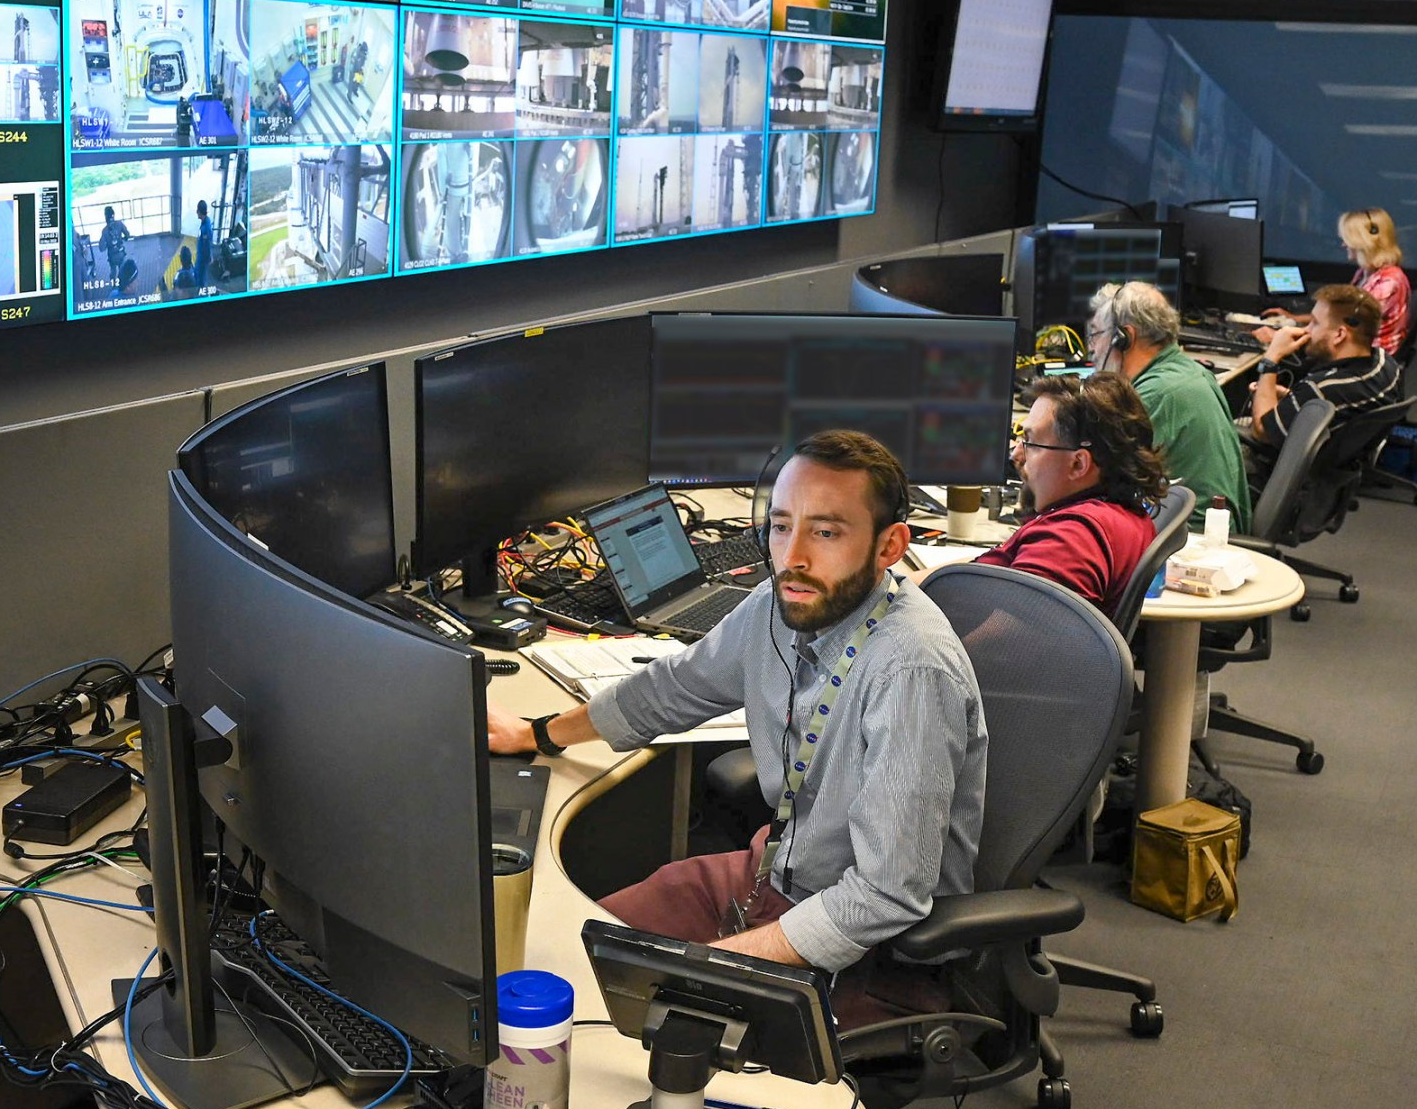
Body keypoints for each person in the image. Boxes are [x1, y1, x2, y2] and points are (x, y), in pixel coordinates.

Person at [487, 431, 987, 1026]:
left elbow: (884, 897)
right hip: (769, 876)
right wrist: (539, 734)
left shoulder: (910, 672)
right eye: (781, 526)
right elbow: (676, 688)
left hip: (869, 951)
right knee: (552, 964)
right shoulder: (785, 602)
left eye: (826, 532)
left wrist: (704, 966)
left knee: (624, 1013)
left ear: (889, 547)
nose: (793, 555)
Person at [975, 373, 1167, 621]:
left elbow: (1004, 646)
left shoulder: (1071, 541)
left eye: (1031, 442)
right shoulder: (1120, 514)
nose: (1016, 454)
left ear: (1078, 464)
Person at [1087, 280, 1250, 533]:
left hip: (1188, 539)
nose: (1092, 349)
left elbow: (1094, 479)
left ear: (1124, 338)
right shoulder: (1189, 371)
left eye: (1096, 335)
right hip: (1197, 526)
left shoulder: (1156, 394)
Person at [1244, 282, 1404, 484]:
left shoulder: (1321, 389)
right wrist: (1290, 396)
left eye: (1314, 323)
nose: (1306, 331)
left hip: (1275, 475)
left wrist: (1271, 358)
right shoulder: (1386, 364)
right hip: (1322, 479)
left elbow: (1261, 430)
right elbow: (1335, 408)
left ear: (1339, 335)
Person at [1265, 209, 1412, 356]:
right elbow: (1337, 316)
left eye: (1347, 239)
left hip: (1368, 359)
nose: (1343, 244)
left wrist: (1279, 339)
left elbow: (1340, 327)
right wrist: (1294, 319)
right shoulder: (1365, 273)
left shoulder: (1388, 282)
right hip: (1356, 348)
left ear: (1362, 241)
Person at [194, 200, 213, 289]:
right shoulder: (206, 221)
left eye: (197, 210)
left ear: (200, 212)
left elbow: (207, 245)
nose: (196, 212)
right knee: (200, 276)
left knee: (201, 278)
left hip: (202, 258)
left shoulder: (205, 228)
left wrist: (208, 257)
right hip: (201, 255)